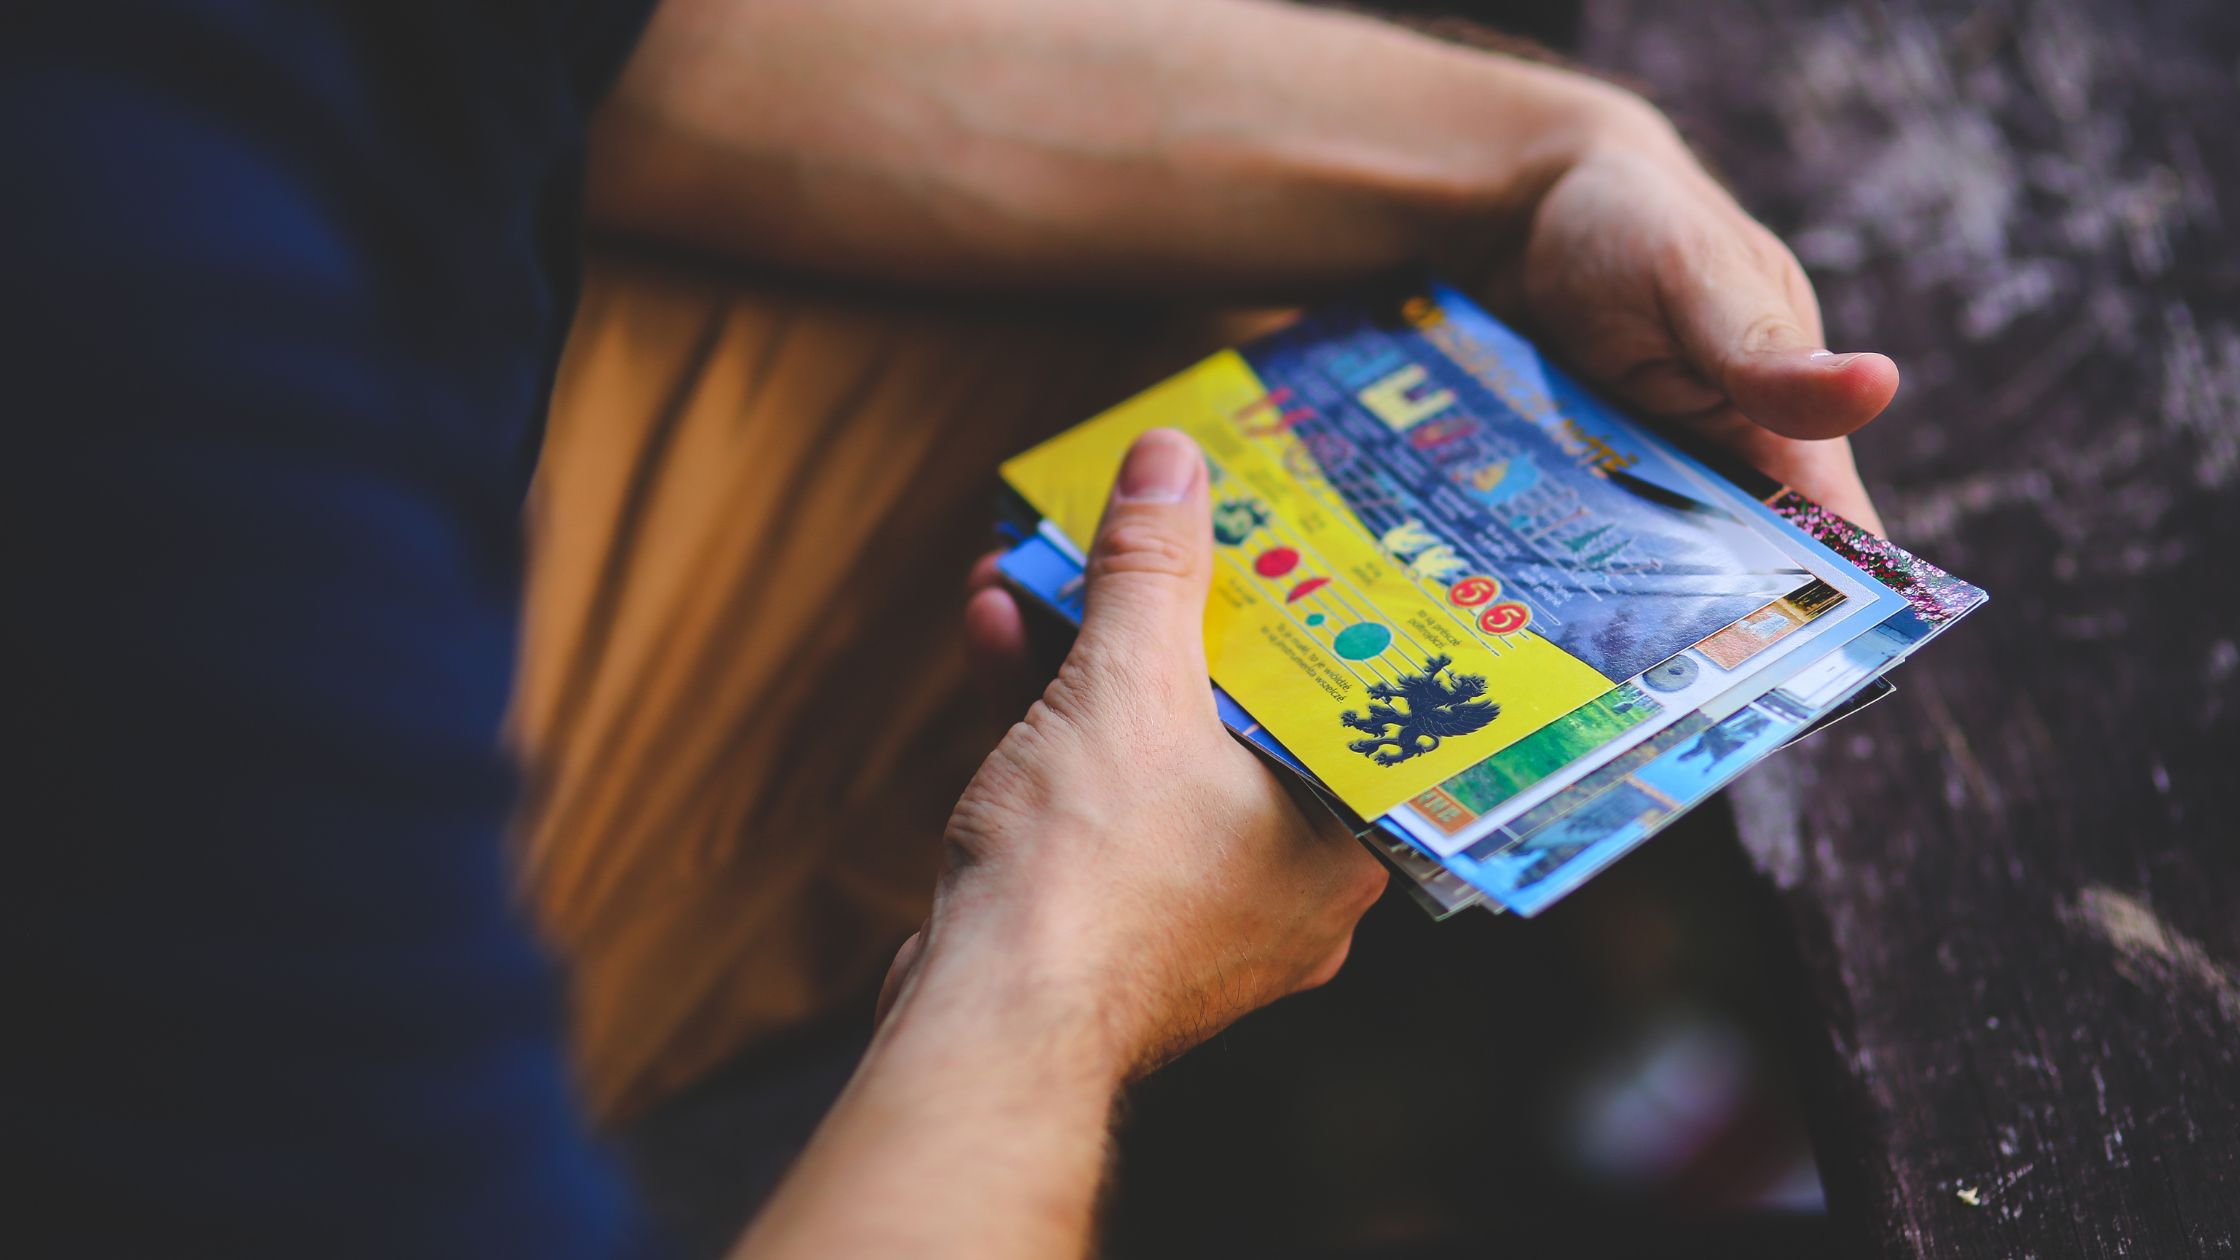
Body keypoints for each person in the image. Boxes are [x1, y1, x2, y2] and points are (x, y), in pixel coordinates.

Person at [7, 1, 1892, 1256]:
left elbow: (639, 44)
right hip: (171, 682)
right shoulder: (136, 366)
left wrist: (1544, 154)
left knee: (1277, 308)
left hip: (271, 474)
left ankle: (1608, 1004)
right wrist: (1062, 968)